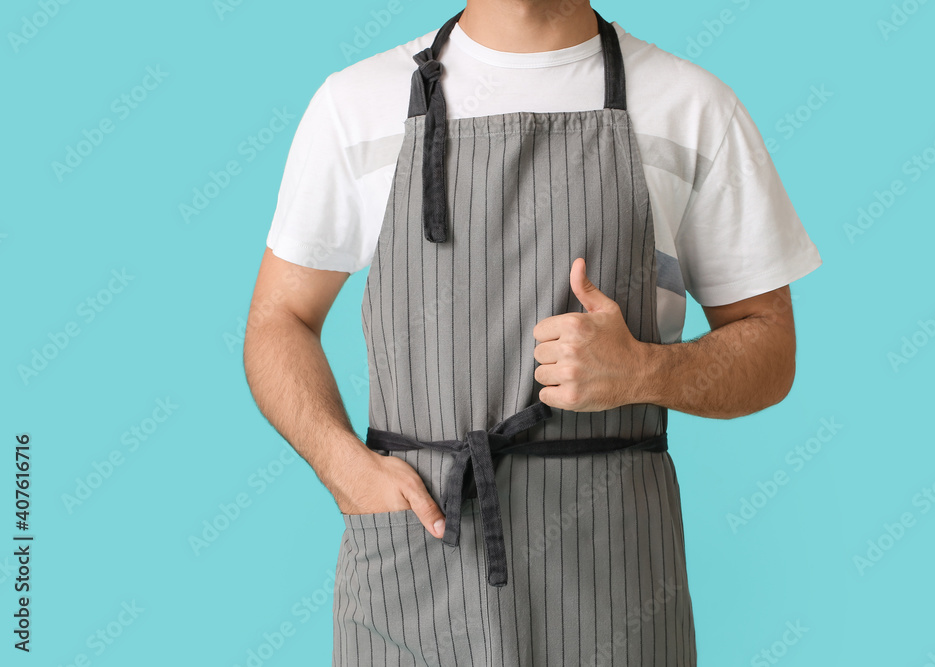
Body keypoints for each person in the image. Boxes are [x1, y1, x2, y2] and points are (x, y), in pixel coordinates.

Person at [244, 1, 822, 665]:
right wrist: (344, 467)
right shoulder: (356, 105)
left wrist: (644, 371)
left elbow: (770, 345)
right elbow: (277, 322)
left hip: (615, 588)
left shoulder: (693, 108)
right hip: (417, 565)